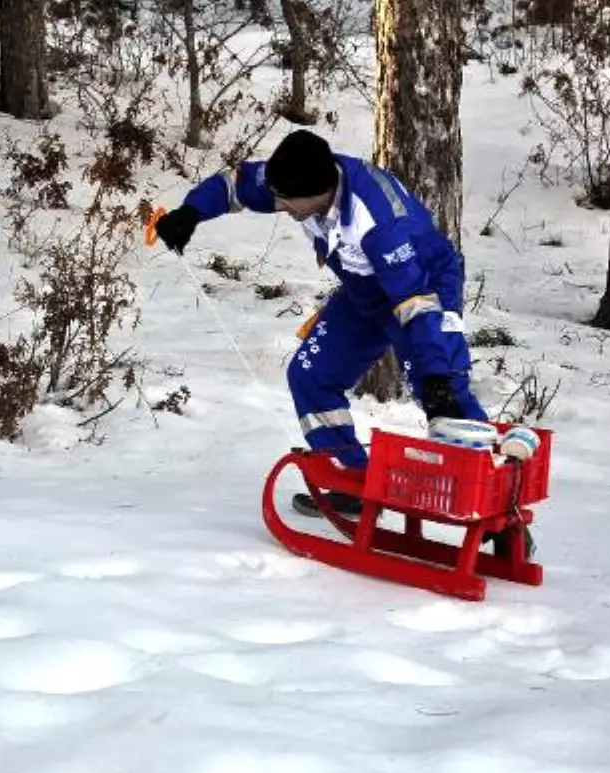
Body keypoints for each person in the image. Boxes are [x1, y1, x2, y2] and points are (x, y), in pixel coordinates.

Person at [153, 130, 488, 518]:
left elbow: (415, 301)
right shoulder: (299, 177)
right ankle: (353, 484)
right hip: (366, 292)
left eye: (284, 199)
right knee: (311, 376)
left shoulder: (378, 222)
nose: (276, 204)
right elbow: (239, 183)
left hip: (422, 287)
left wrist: (434, 371)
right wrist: (190, 212)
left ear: (318, 191)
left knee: (442, 392)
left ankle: (491, 507)